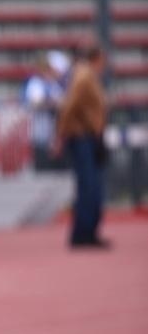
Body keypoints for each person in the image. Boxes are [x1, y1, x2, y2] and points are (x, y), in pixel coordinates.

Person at [56, 45, 110, 249]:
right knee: (88, 185)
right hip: (82, 136)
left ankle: (88, 231)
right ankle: (83, 232)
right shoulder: (84, 76)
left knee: (91, 185)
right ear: (96, 58)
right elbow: (70, 105)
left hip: (88, 135)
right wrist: (61, 134)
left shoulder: (87, 76)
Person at [22, 49, 70, 170]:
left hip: (56, 136)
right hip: (41, 134)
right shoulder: (36, 83)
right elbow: (35, 102)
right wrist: (53, 103)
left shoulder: (54, 84)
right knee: (44, 169)